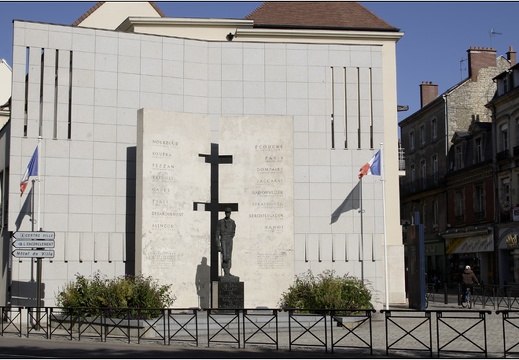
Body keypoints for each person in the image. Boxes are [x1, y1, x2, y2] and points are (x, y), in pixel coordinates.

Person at [215, 207, 236, 277]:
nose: (227, 214)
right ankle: (225, 271)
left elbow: (233, 232)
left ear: (230, 213)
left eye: (229, 212)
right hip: (223, 239)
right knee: (224, 256)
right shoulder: (220, 222)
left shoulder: (232, 222)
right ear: (225, 213)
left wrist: (230, 237)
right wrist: (218, 245)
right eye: (226, 212)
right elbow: (216, 235)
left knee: (229, 256)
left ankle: (228, 271)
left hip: (229, 240)